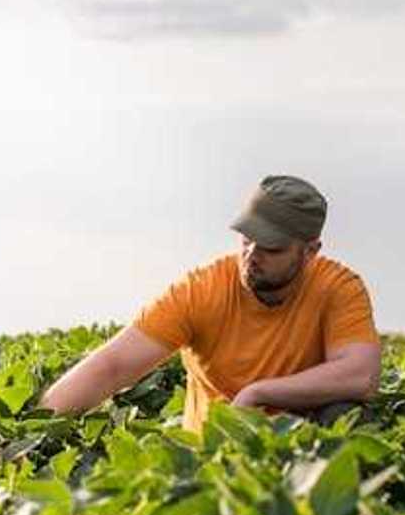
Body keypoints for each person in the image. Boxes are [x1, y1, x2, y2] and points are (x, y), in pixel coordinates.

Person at [40, 175, 381, 433]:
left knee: (346, 414)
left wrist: (259, 393)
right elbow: (112, 366)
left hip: (297, 457)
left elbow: (360, 374)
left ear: (310, 251)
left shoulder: (338, 288)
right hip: (212, 460)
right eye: (247, 238)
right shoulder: (201, 291)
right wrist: (26, 430)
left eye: (271, 247)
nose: (251, 255)